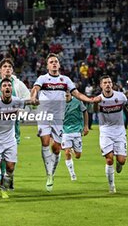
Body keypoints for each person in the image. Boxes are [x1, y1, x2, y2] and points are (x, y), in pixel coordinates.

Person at [30, 53, 100, 192]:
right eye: (51, 62)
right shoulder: (43, 78)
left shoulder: (65, 80)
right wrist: (33, 96)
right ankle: (48, 174)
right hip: (44, 114)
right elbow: (35, 88)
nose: (54, 63)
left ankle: (52, 173)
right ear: (47, 65)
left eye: (56, 61)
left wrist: (89, 100)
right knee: (45, 142)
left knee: (56, 148)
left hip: (58, 117)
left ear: (59, 64)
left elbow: (77, 94)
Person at [0, 57, 30, 186]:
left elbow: (27, 99)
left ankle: (7, 179)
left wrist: (21, 113)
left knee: (9, 153)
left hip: (12, 124)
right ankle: (0, 177)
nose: (7, 69)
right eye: (4, 67)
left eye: (10, 67)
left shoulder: (18, 84)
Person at [94, 75, 128, 193]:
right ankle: (111, 186)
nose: (107, 85)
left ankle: (120, 164)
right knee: (109, 160)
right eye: (105, 83)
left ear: (112, 84)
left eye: (109, 82)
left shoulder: (120, 96)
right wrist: (95, 103)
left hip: (120, 132)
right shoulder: (99, 99)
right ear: (101, 85)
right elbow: (94, 111)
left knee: (121, 160)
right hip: (105, 132)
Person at [62, 90, 89, 181]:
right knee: (66, 152)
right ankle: (72, 174)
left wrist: (86, 126)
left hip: (77, 131)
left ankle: (72, 149)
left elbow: (85, 112)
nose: (66, 93)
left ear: (70, 93)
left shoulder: (77, 102)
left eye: (67, 91)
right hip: (65, 131)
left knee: (78, 156)